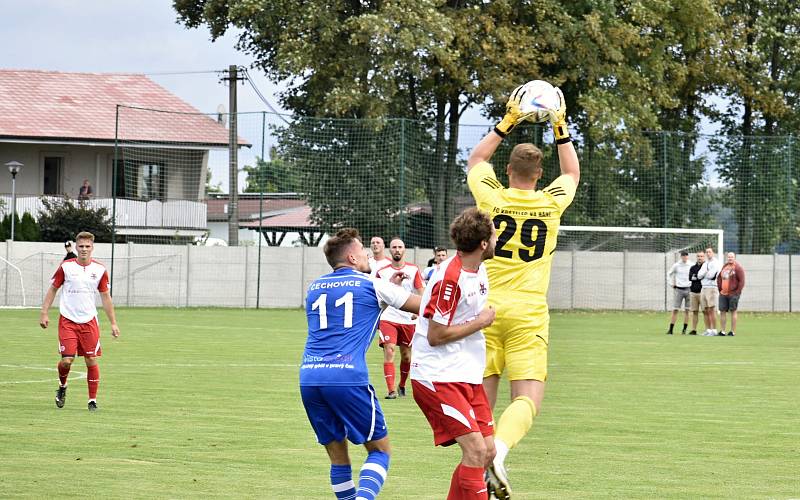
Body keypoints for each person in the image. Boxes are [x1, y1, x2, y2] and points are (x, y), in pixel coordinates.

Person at [466, 84, 580, 498]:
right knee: (528, 398)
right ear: (537, 175)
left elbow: (477, 158)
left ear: (509, 171)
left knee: (481, 399)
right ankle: (500, 450)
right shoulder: (551, 202)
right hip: (528, 313)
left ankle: (478, 462)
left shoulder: (492, 198)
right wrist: (560, 124)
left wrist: (508, 120)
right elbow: (572, 174)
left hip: (484, 309)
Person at [300, 228, 422, 500]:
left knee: (338, 458)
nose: (368, 254)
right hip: (347, 378)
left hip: (310, 377)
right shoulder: (373, 284)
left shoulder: (314, 287)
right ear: (353, 258)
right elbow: (423, 306)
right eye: (363, 251)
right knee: (380, 451)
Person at [411, 208, 497, 500]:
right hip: (438, 375)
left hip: (465, 373)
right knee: (474, 450)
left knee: (487, 452)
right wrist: (481, 322)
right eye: (494, 235)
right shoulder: (451, 277)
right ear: (484, 243)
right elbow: (436, 335)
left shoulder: (479, 268)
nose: (498, 239)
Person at [39, 231, 120, 411]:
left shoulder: (100, 270)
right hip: (68, 320)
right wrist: (44, 313)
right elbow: (53, 289)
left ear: (92, 248)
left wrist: (113, 323)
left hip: (89, 321)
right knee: (67, 361)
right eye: (81, 246)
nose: (84, 249)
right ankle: (62, 386)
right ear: (76, 247)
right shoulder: (66, 267)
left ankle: (92, 400)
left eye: (87, 246)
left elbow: (106, 297)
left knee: (91, 359)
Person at [374, 237, 424, 399]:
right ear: (390, 250)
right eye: (394, 247)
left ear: (404, 250)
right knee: (389, 350)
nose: (397, 249)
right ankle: (391, 390)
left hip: (408, 319)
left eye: (400, 247)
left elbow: (421, 290)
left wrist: (419, 309)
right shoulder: (382, 272)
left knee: (407, 356)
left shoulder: (413, 269)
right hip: (388, 317)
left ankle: (402, 385)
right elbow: (376, 293)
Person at [717, 252, 745, 336]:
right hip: (723, 294)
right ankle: (722, 331)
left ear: (735, 258)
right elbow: (719, 277)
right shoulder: (724, 266)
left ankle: (732, 331)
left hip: (733, 294)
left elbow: (742, 281)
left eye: (732, 257)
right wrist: (720, 288)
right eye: (729, 257)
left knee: (733, 311)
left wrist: (737, 292)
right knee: (722, 311)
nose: (730, 258)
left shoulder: (738, 268)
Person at [666, 251, 692, 335]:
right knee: (675, 309)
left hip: (689, 289)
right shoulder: (676, 265)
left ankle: (684, 330)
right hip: (679, 289)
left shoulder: (691, 265)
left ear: (688, 257)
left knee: (687, 310)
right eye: (683, 256)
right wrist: (671, 284)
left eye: (686, 256)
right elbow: (669, 274)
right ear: (681, 257)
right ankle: (671, 329)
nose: (684, 257)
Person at [697, 247, 720, 336]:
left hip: (712, 287)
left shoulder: (716, 263)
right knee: (705, 310)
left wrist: (705, 274)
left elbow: (711, 275)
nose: (708, 253)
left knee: (711, 309)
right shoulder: (705, 263)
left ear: (713, 253)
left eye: (709, 252)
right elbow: (699, 276)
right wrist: (705, 273)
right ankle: (708, 329)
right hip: (704, 288)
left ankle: (714, 330)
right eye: (707, 252)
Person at [687, 251, 706, 335]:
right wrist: (698, 277)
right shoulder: (692, 268)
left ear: (704, 257)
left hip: (703, 292)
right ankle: (694, 329)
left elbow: (703, 277)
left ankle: (707, 330)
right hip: (693, 292)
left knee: (705, 312)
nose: (700, 258)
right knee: (694, 312)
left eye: (701, 256)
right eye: (698, 256)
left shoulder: (706, 267)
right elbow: (690, 278)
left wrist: (697, 276)